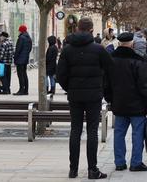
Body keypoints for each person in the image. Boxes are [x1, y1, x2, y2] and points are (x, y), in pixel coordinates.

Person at [56, 17, 113, 180]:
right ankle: (92, 169)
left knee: (75, 130)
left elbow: (60, 75)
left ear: (77, 28)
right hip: (94, 96)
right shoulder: (98, 49)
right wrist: (102, 86)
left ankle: (73, 169)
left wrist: (70, 88)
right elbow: (110, 69)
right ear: (90, 30)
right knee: (92, 131)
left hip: (75, 96)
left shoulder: (67, 49)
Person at [105, 32, 147, 172]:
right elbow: (145, 85)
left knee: (119, 133)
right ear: (132, 43)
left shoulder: (111, 60)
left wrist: (110, 99)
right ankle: (136, 162)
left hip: (119, 103)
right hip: (137, 105)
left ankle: (119, 162)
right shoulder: (138, 60)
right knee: (137, 133)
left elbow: (106, 83)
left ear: (119, 43)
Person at [13, 25, 32, 95]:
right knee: (24, 74)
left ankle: (21, 90)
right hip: (25, 59)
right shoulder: (29, 38)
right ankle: (26, 90)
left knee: (20, 75)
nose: (18, 31)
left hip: (20, 60)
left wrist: (15, 58)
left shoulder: (21, 38)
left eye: (19, 30)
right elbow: (30, 49)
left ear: (21, 30)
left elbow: (18, 49)